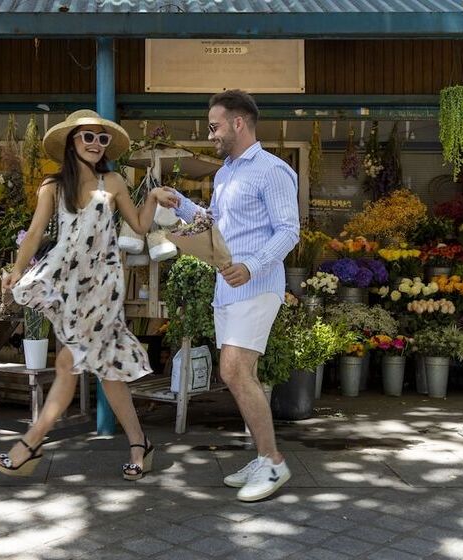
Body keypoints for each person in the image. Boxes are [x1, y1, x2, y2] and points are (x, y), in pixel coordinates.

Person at [0, 109, 178, 479]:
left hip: (103, 284)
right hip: (69, 283)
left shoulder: (113, 181)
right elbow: (34, 234)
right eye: (87, 137)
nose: (96, 144)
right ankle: (140, 443)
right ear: (71, 142)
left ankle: (30, 445)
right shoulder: (53, 186)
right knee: (107, 371)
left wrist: (154, 196)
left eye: (102, 138)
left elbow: (140, 226)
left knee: (67, 364)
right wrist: (16, 269)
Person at [169, 90, 300, 502]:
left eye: (215, 126)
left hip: (256, 286)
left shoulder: (272, 170)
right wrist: (180, 204)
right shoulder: (225, 173)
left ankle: (274, 462)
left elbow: (289, 230)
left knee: (234, 370)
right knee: (245, 375)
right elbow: (215, 224)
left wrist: (253, 265)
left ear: (238, 123)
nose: (211, 135)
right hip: (227, 287)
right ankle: (262, 458)